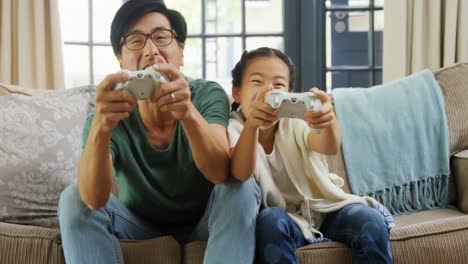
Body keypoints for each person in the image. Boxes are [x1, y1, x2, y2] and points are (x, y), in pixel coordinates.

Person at [58, 2, 260, 264]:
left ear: (181, 51)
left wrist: (187, 112)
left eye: (161, 37)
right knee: (73, 198)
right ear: (120, 59)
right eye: (135, 41)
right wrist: (100, 128)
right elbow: (92, 200)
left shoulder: (206, 94)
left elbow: (220, 172)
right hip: (139, 226)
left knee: (241, 185)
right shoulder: (109, 113)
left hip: (207, 220)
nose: (151, 51)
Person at [228, 47, 394, 264]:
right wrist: (252, 125)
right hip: (284, 220)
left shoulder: (295, 121)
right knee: (269, 220)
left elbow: (328, 146)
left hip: (324, 211)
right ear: (237, 92)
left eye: (278, 85)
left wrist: (328, 121)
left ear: (289, 92)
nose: (268, 91)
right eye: (258, 82)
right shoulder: (234, 128)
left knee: (370, 220)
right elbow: (240, 171)